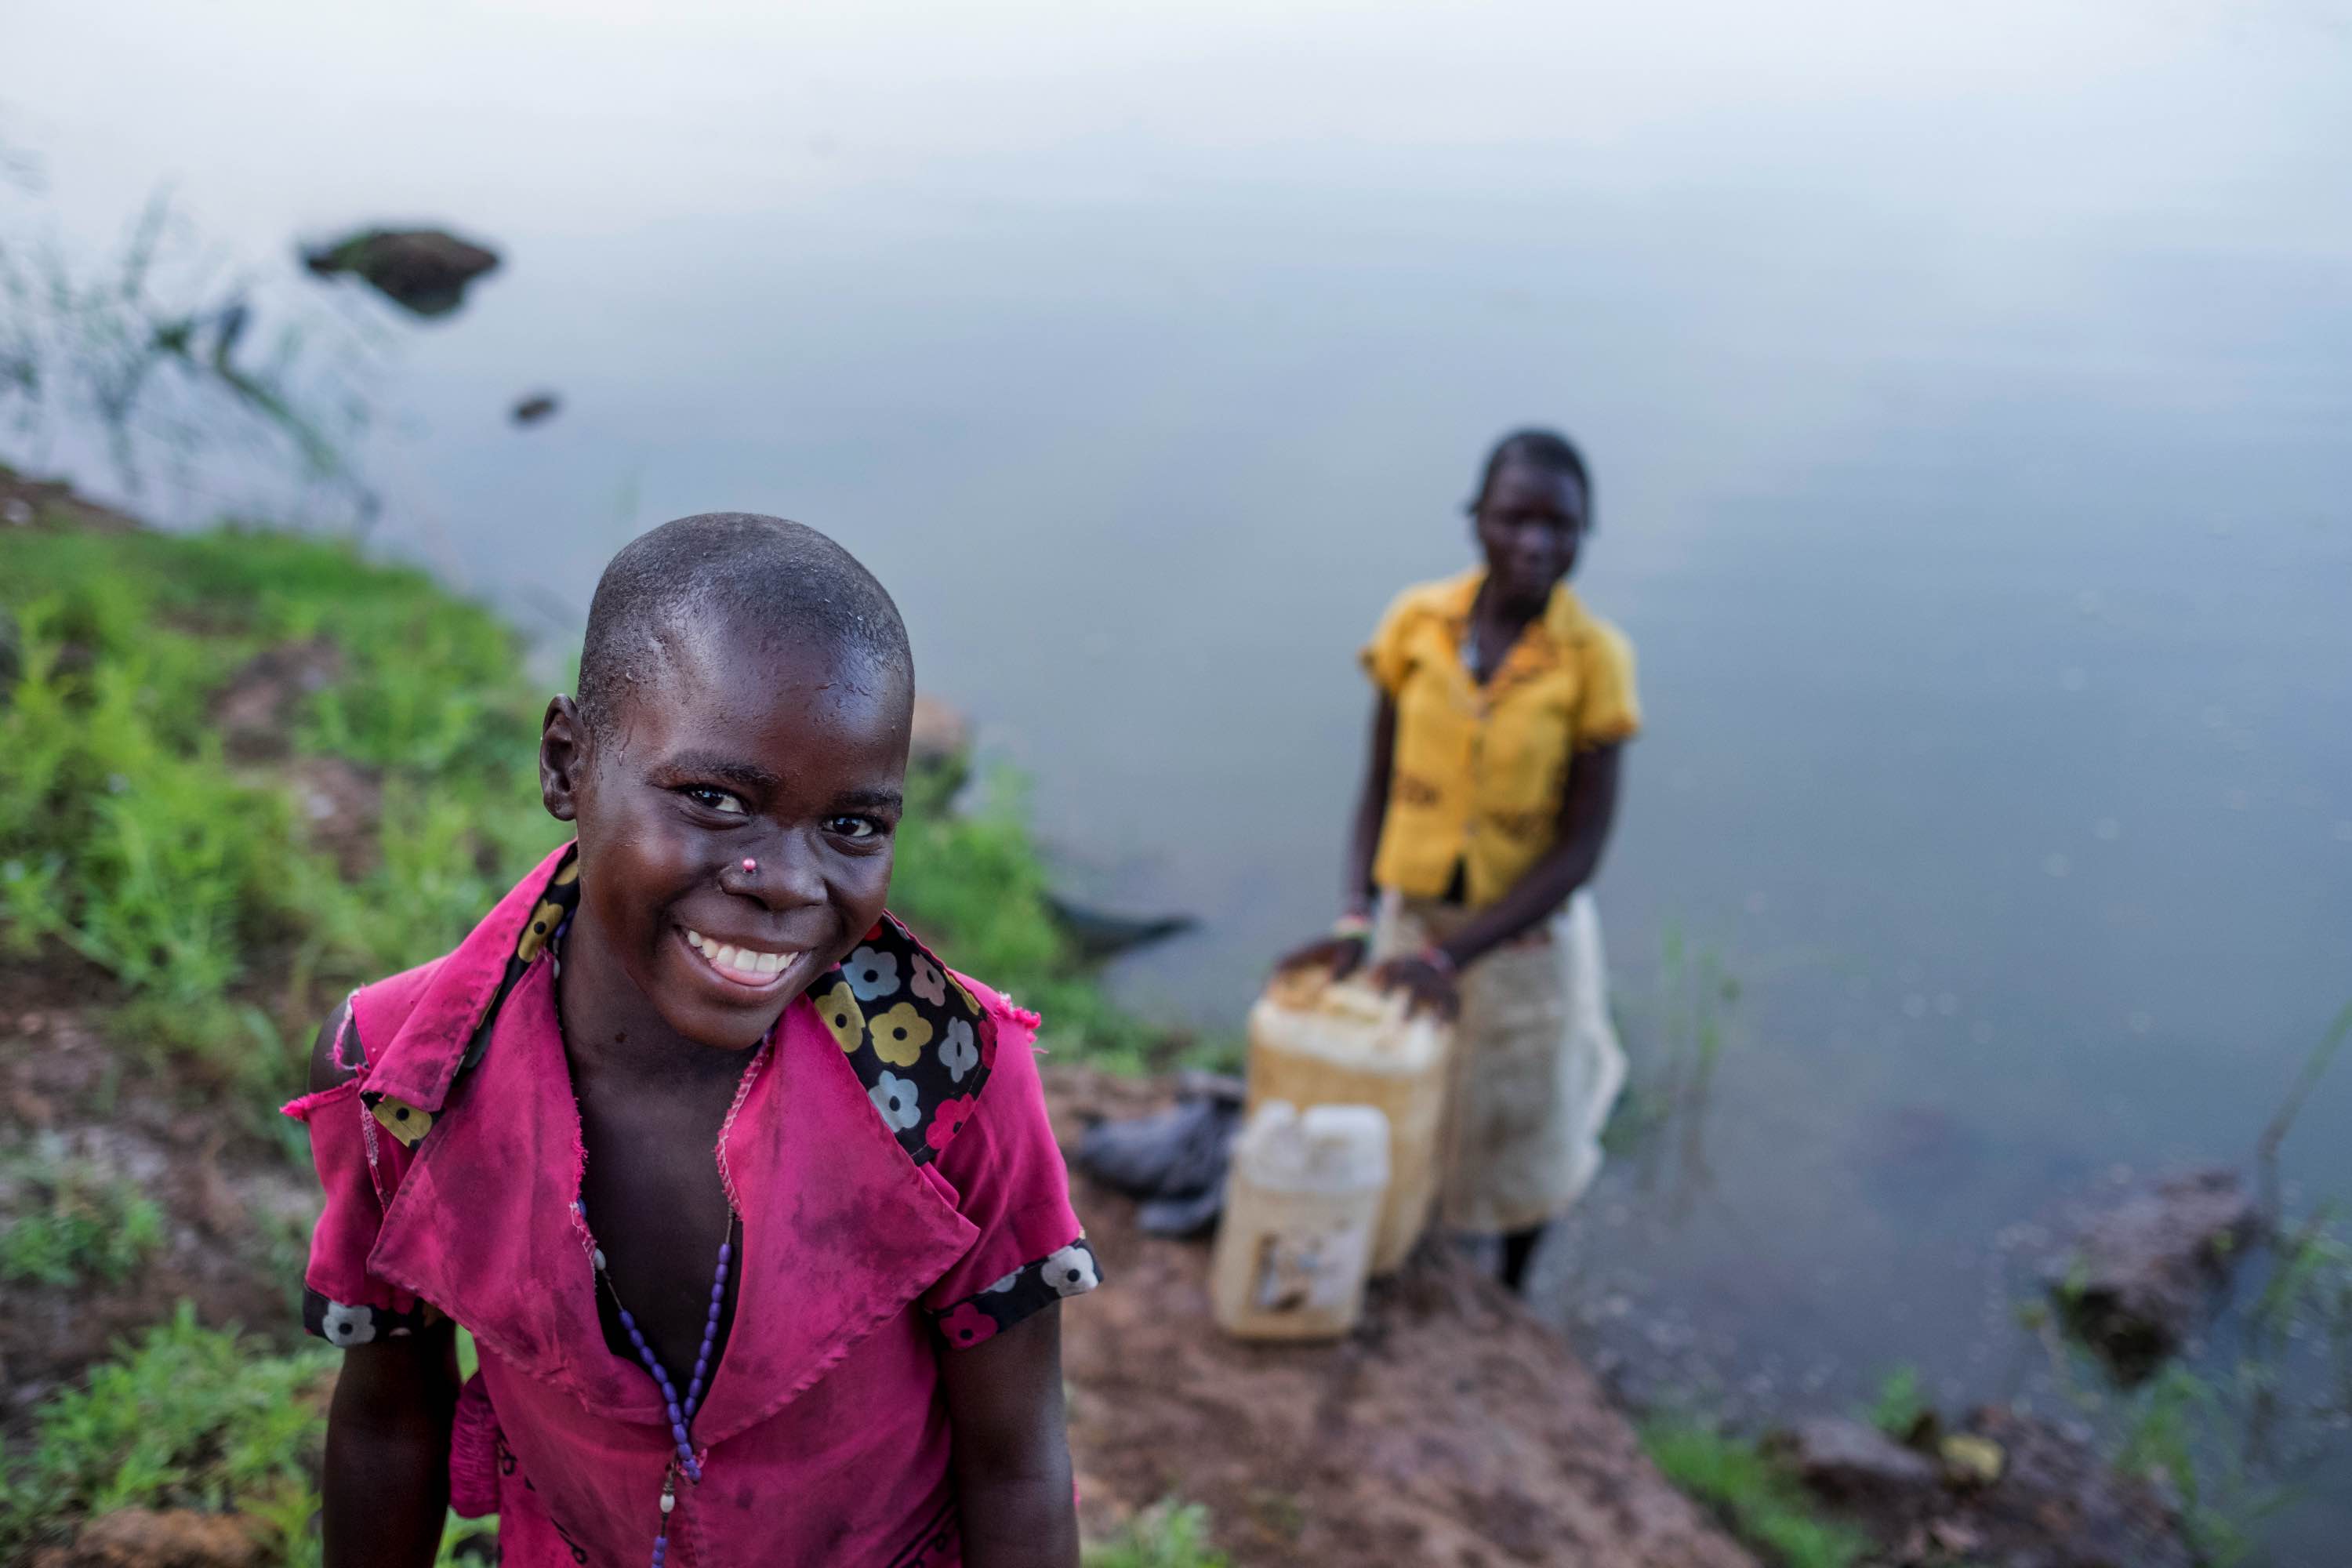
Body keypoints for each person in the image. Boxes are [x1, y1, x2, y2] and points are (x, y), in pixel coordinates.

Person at [287, 514, 1100, 1568]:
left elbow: (1017, 1463)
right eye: (715, 800)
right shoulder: (403, 1080)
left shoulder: (948, 1076)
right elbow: (390, 1420)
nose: (789, 883)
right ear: (566, 764)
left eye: (852, 825)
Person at [1278, 429, 1638, 1294]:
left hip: (1524, 944)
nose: (1536, 544)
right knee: (1403, 1109)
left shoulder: (1595, 663)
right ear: (1476, 518)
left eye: (1562, 526)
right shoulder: (1418, 626)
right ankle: (1409, 1261)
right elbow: (1378, 787)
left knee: (1525, 1136)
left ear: (1585, 535)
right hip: (1412, 920)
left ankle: (1512, 1294)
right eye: (1515, 518)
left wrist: (1454, 957)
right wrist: (1358, 918)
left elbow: (1581, 849)